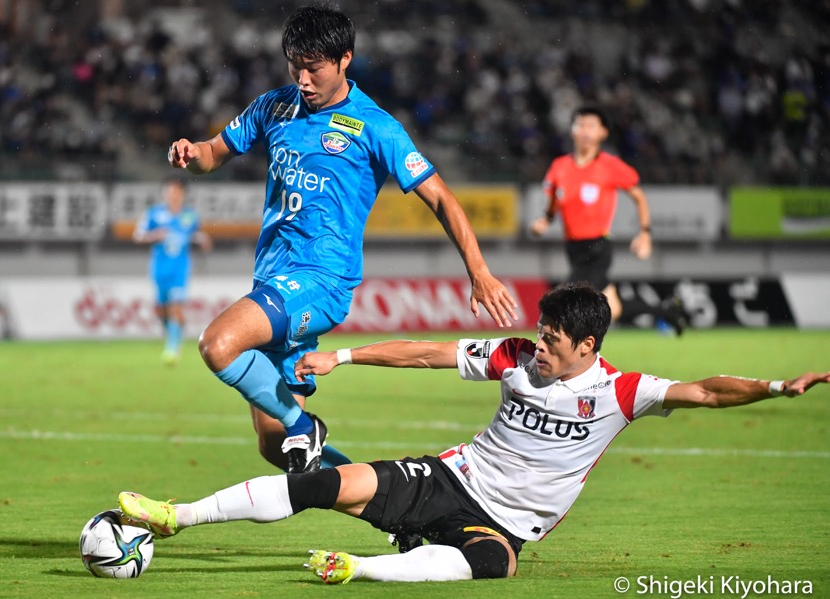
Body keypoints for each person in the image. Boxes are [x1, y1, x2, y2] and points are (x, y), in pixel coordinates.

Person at [116, 283, 829, 584]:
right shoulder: (514, 355)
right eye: (541, 332)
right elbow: (427, 352)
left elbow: (705, 389)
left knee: (496, 565)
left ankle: (355, 569)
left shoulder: (620, 390)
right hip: (450, 476)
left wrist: (775, 387)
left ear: (587, 344)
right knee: (324, 482)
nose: (539, 344)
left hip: (508, 524)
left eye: (553, 338)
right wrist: (347, 354)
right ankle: (177, 516)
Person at [165, 3, 517, 474]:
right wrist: (194, 152)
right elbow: (215, 153)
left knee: (218, 344)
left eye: (314, 69)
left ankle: (303, 426)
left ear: (344, 59)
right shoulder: (274, 105)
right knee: (275, 446)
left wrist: (480, 271)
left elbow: (442, 198)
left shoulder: (377, 127)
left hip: (321, 280)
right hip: (272, 278)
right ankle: (389, 510)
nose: (303, 80)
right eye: (296, 67)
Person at [530, 106, 687, 334]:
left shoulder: (609, 166)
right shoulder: (560, 167)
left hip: (597, 248)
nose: (585, 131)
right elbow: (553, 204)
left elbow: (639, 196)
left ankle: (562, 357)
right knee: (615, 308)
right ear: (572, 130)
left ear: (603, 133)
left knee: (563, 299)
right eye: (580, 125)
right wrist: (544, 220)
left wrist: (645, 233)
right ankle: (668, 312)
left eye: (591, 126)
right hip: (573, 248)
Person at [133, 177, 212, 365]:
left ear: (182, 194)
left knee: (176, 306)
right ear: (164, 194)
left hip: (180, 269)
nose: (173, 195)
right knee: (162, 310)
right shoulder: (154, 214)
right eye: (169, 191)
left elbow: (197, 233)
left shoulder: (189, 216)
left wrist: (203, 239)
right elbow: (138, 235)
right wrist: (154, 235)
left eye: (176, 191)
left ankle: (172, 348)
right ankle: (174, 335)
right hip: (159, 269)